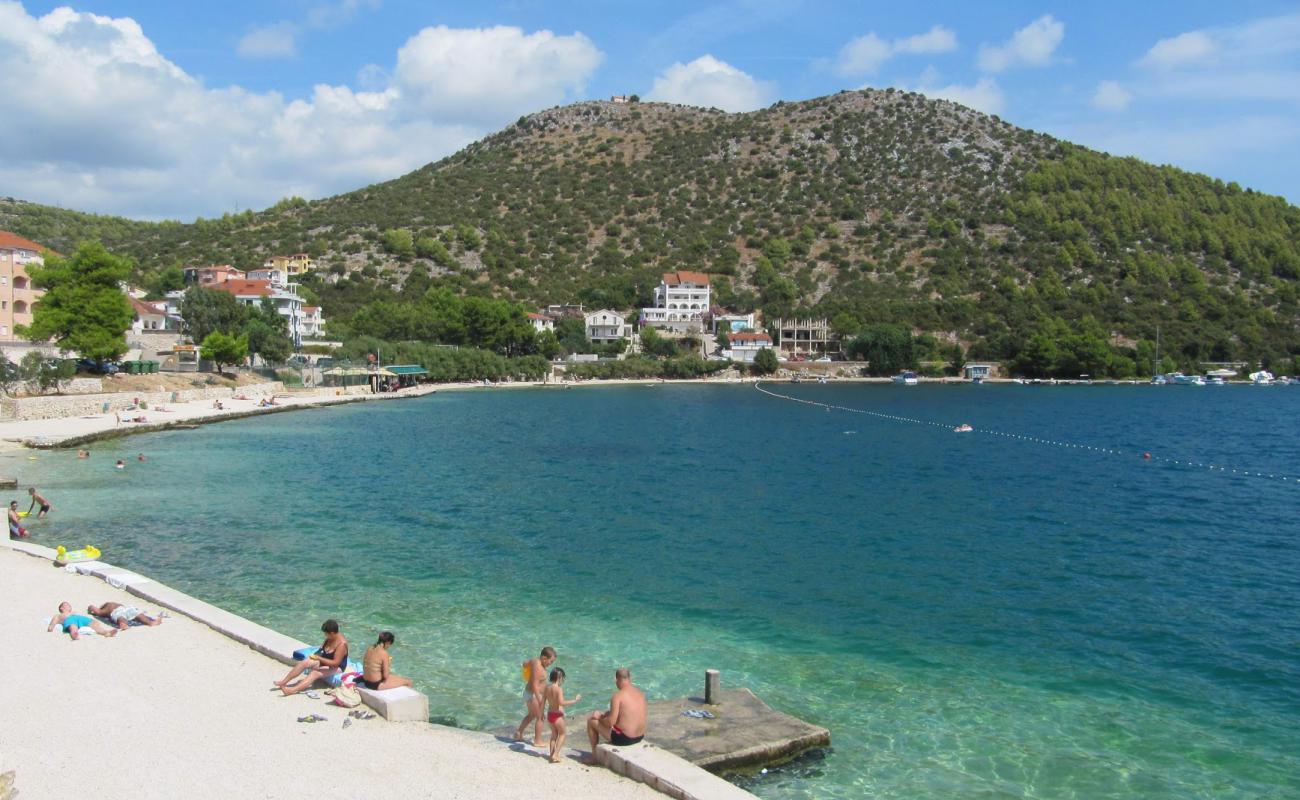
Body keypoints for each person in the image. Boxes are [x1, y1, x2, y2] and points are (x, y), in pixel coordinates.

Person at [585, 667, 647, 763]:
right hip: (640, 736)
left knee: (591, 721)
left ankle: (594, 757)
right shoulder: (640, 693)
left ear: (617, 680)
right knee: (608, 714)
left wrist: (599, 717)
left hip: (626, 739)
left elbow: (610, 723)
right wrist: (606, 715)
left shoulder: (618, 696)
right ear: (629, 678)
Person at [274, 619, 348, 696]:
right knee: (305, 662)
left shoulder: (341, 645)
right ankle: (284, 682)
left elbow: (335, 663)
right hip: (325, 660)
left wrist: (319, 659)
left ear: (332, 633)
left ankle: (291, 690)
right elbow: (322, 650)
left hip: (336, 667)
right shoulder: (331, 638)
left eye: (326, 634)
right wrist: (315, 657)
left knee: (315, 673)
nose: (325, 635)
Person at [515, 646, 557, 745]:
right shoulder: (538, 667)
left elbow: (525, 664)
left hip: (528, 693)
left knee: (531, 715)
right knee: (540, 717)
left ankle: (518, 733)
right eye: (550, 662)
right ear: (544, 658)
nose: (550, 664)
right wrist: (540, 700)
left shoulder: (534, 661)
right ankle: (537, 741)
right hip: (534, 695)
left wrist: (525, 666)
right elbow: (534, 685)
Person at [543, 667, 582, 764]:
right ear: (559, 678)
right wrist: (574, 700)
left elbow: (542, 702)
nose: (563, 681)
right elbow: (561, 702)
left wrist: (540, 714)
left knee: (553, 735)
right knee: (563, 733)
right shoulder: (558, 689)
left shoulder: (547, 688)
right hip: (557, 715)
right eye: (563, 679)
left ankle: (551, 755)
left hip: (549, 714)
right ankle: (556, 755)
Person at [47, 602, 117, 639]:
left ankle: (106, 632)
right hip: (69, 619)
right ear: (61, 608)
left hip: (79, 618)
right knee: (72, 626)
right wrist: (51, 628)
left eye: (69, 605)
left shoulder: (73, 613)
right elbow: (53, 623)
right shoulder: (58, 615)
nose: (68, 605)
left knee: (94, 624)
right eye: (66, 604)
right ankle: (74, 634)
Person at [87, 601, 162, 630]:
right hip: (127, 608)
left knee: (121, 617)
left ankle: (123, 624)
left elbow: (95, 609)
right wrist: (91, 607)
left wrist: (90, 608)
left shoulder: (104, 610)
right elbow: (95, 609)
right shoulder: (107, 608)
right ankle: (150, 622)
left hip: (118, 611)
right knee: (138, 615)